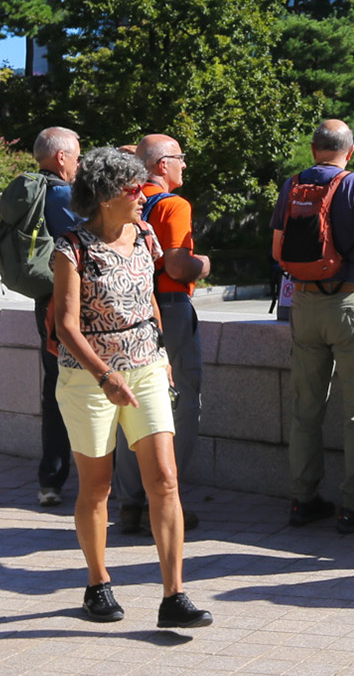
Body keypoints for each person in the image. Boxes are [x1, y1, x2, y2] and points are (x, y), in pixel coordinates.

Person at [52, 147, 211, 628]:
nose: (142, 196)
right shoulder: (71, 247)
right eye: (132, 189)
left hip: (145, 368)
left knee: (164, 478)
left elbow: (151, 299)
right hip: (89, 377)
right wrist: (105, 374)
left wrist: (160, 355)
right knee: (97, 487)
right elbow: (65, 325)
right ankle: (98, 583)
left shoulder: (144, 235)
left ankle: (174, 596)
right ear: (104, 197)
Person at [270, 119, 354, 534]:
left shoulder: (292, 185)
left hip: (304, 303)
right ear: (350, 151)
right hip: (349, 304)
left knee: (306, 407)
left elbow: (277, 250)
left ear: (313, 150)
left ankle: (303, 501)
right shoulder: (353, 183)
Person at [113, 135, 210, 536]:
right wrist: (202, 263)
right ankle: (166, 501)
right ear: (162, 164)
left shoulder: (122, 201)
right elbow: (176, 265)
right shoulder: (174, 205)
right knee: (182, 404)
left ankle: (130, 505)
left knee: (130, 405)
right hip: (168, 310)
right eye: (180, 159)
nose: (184, 165)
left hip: (127, 311)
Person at [28, 127, 83, 507]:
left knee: (53, 388)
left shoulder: (32, 190)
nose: (79, 164)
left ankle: (51, 478)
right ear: (61, 157)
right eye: (77, 156)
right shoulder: (64, 194)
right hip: (71, 301)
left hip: (42, 298)